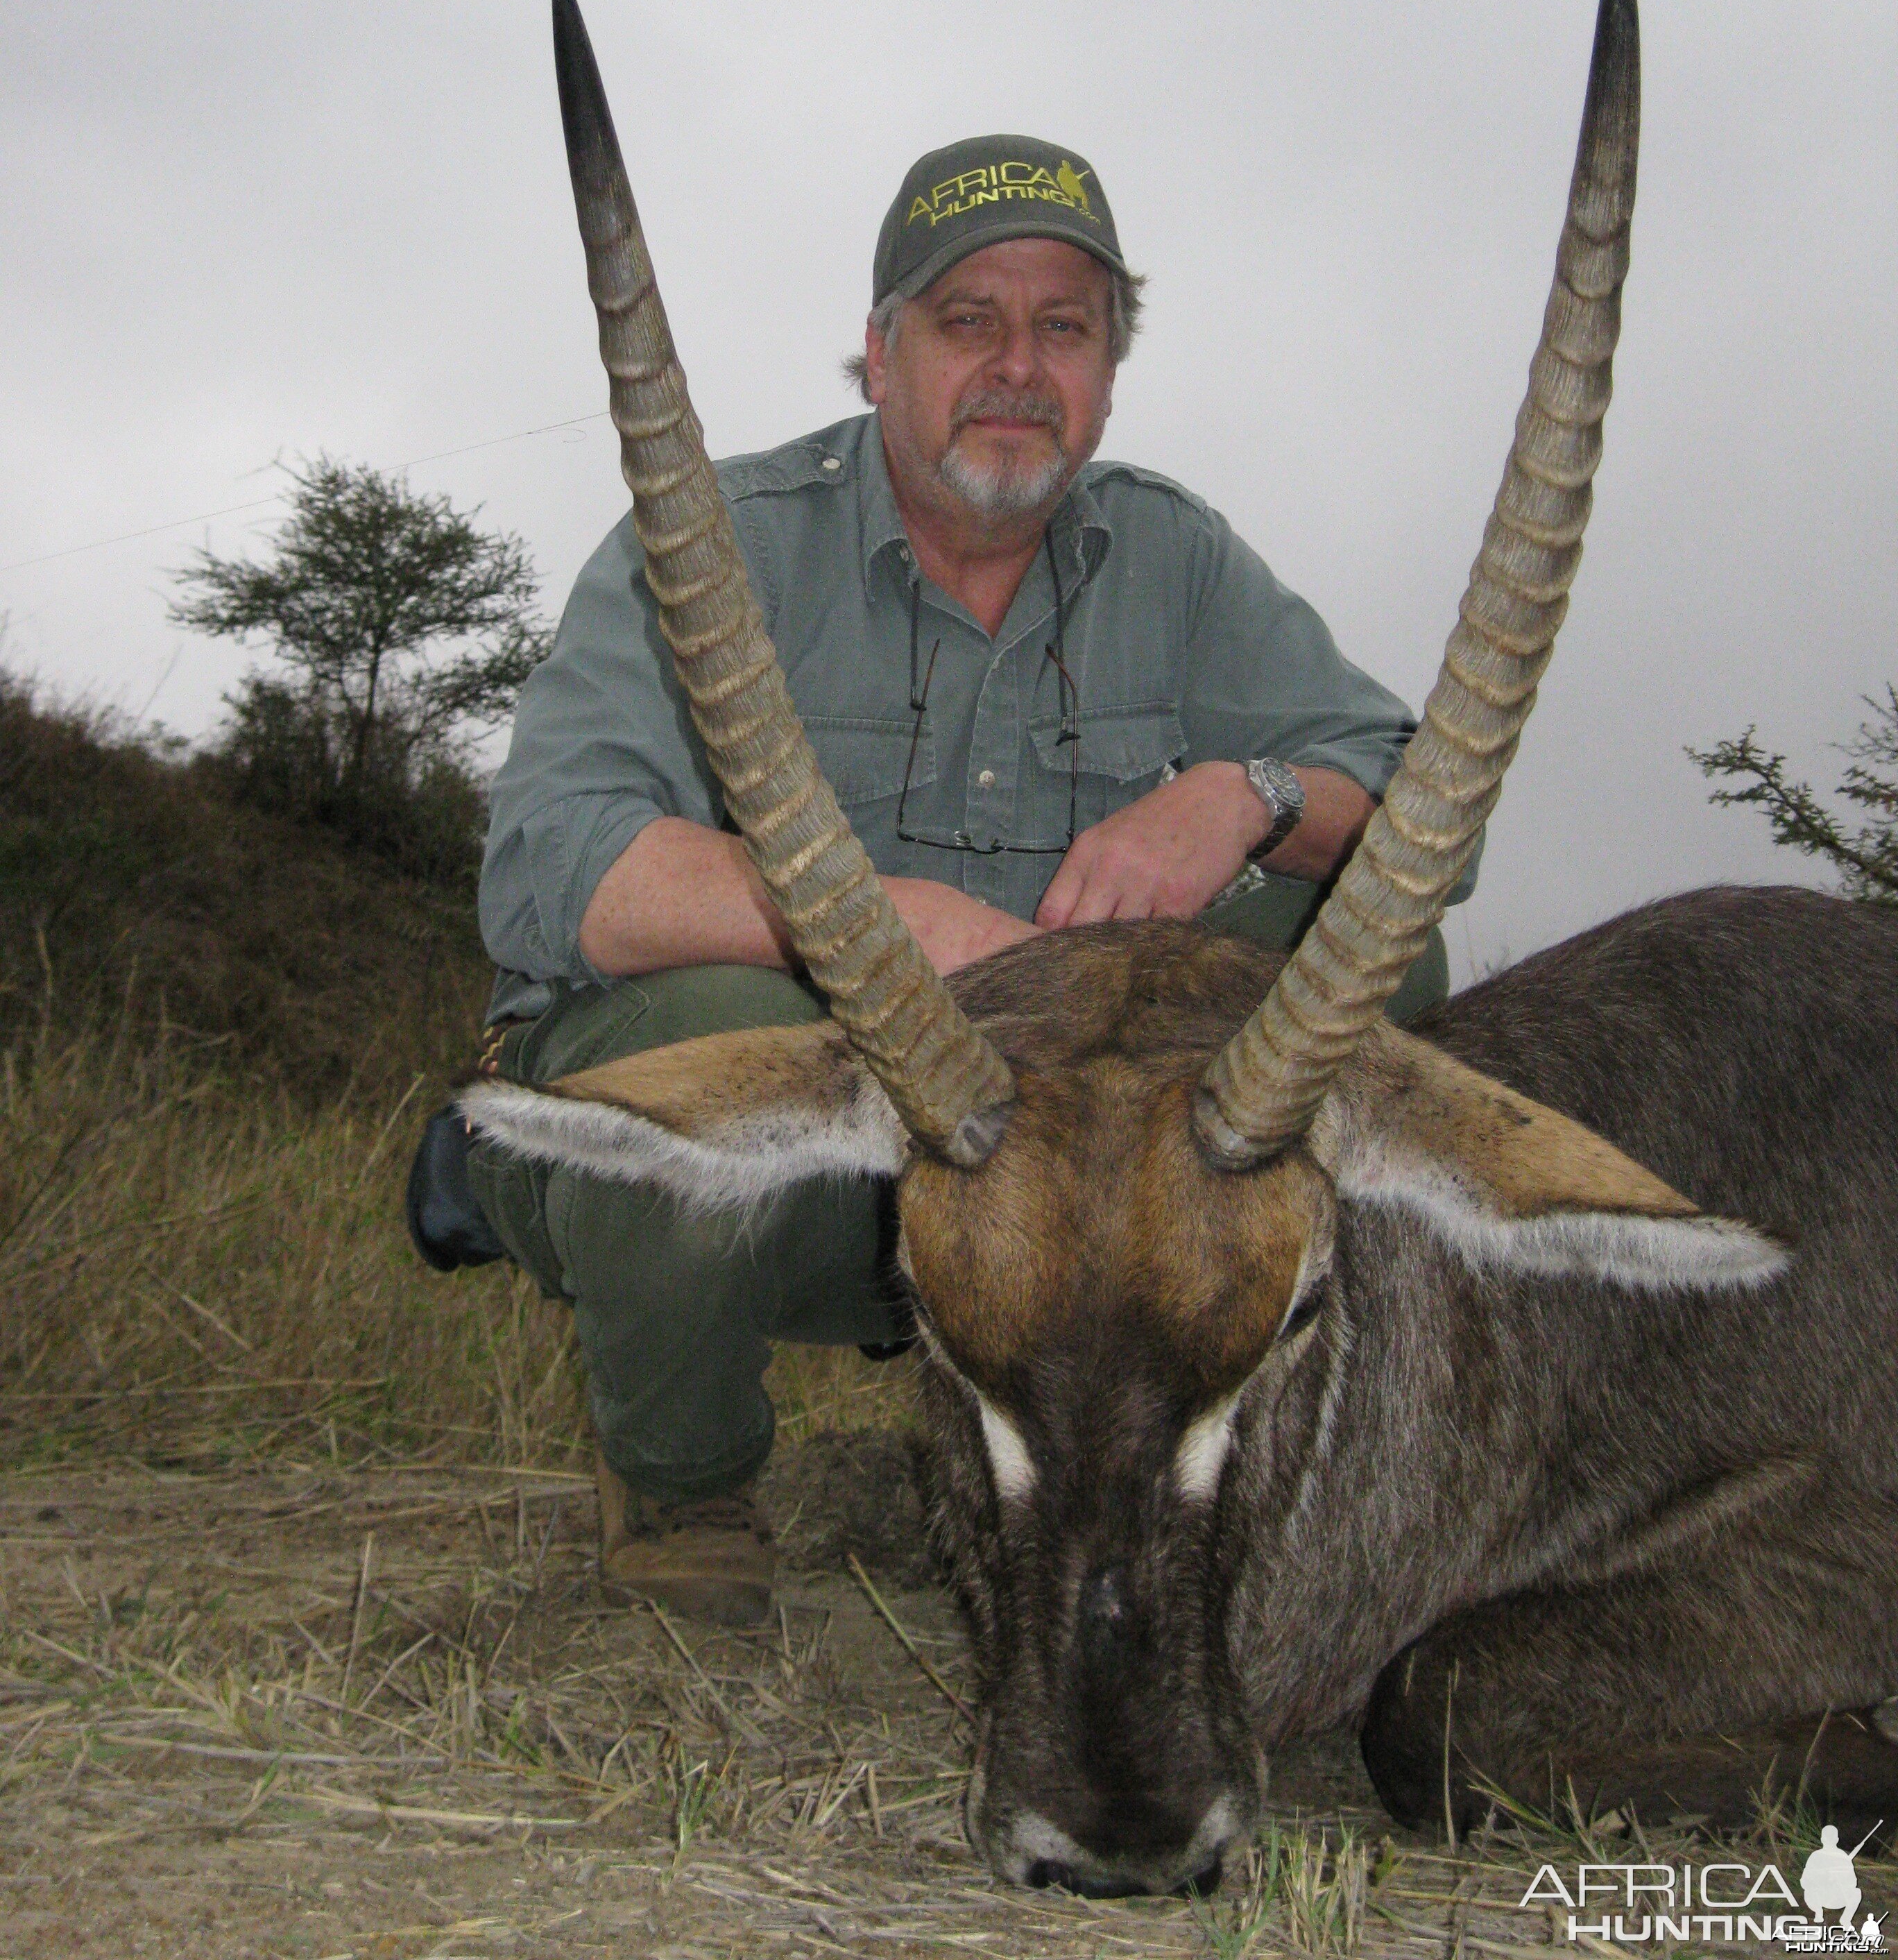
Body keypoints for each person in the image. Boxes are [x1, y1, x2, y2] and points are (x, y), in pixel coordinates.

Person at [431, 134, 1469, 1625]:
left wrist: (1246, 797)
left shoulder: (1174, 559)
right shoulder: (719, 535)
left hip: (1051, 1201)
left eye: (1067, 327)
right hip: (784, 1162)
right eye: (967, 320)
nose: (1017, 366)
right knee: (708, 1013)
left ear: (1110, 369)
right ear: (878, 352)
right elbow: (549, 868)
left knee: (1376, 957)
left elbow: (1422, 817)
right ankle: (683, 1477)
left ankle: (1177, 1476)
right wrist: (870, 921)